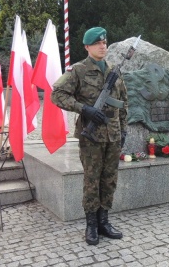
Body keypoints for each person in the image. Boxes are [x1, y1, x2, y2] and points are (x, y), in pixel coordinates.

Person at [51, 27, 128, 246]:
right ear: (87, 47)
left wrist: (123, 129)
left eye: (104, 42)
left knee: (109, 179)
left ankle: (104, 221)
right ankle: (91, 225)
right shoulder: (78, 70)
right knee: (92, 180)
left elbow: (123, 102)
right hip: (91, 135)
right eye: (97, 43)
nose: (103, 46)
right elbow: (56, 94)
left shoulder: (114, 69)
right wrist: (83, 109)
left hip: (113, 134)